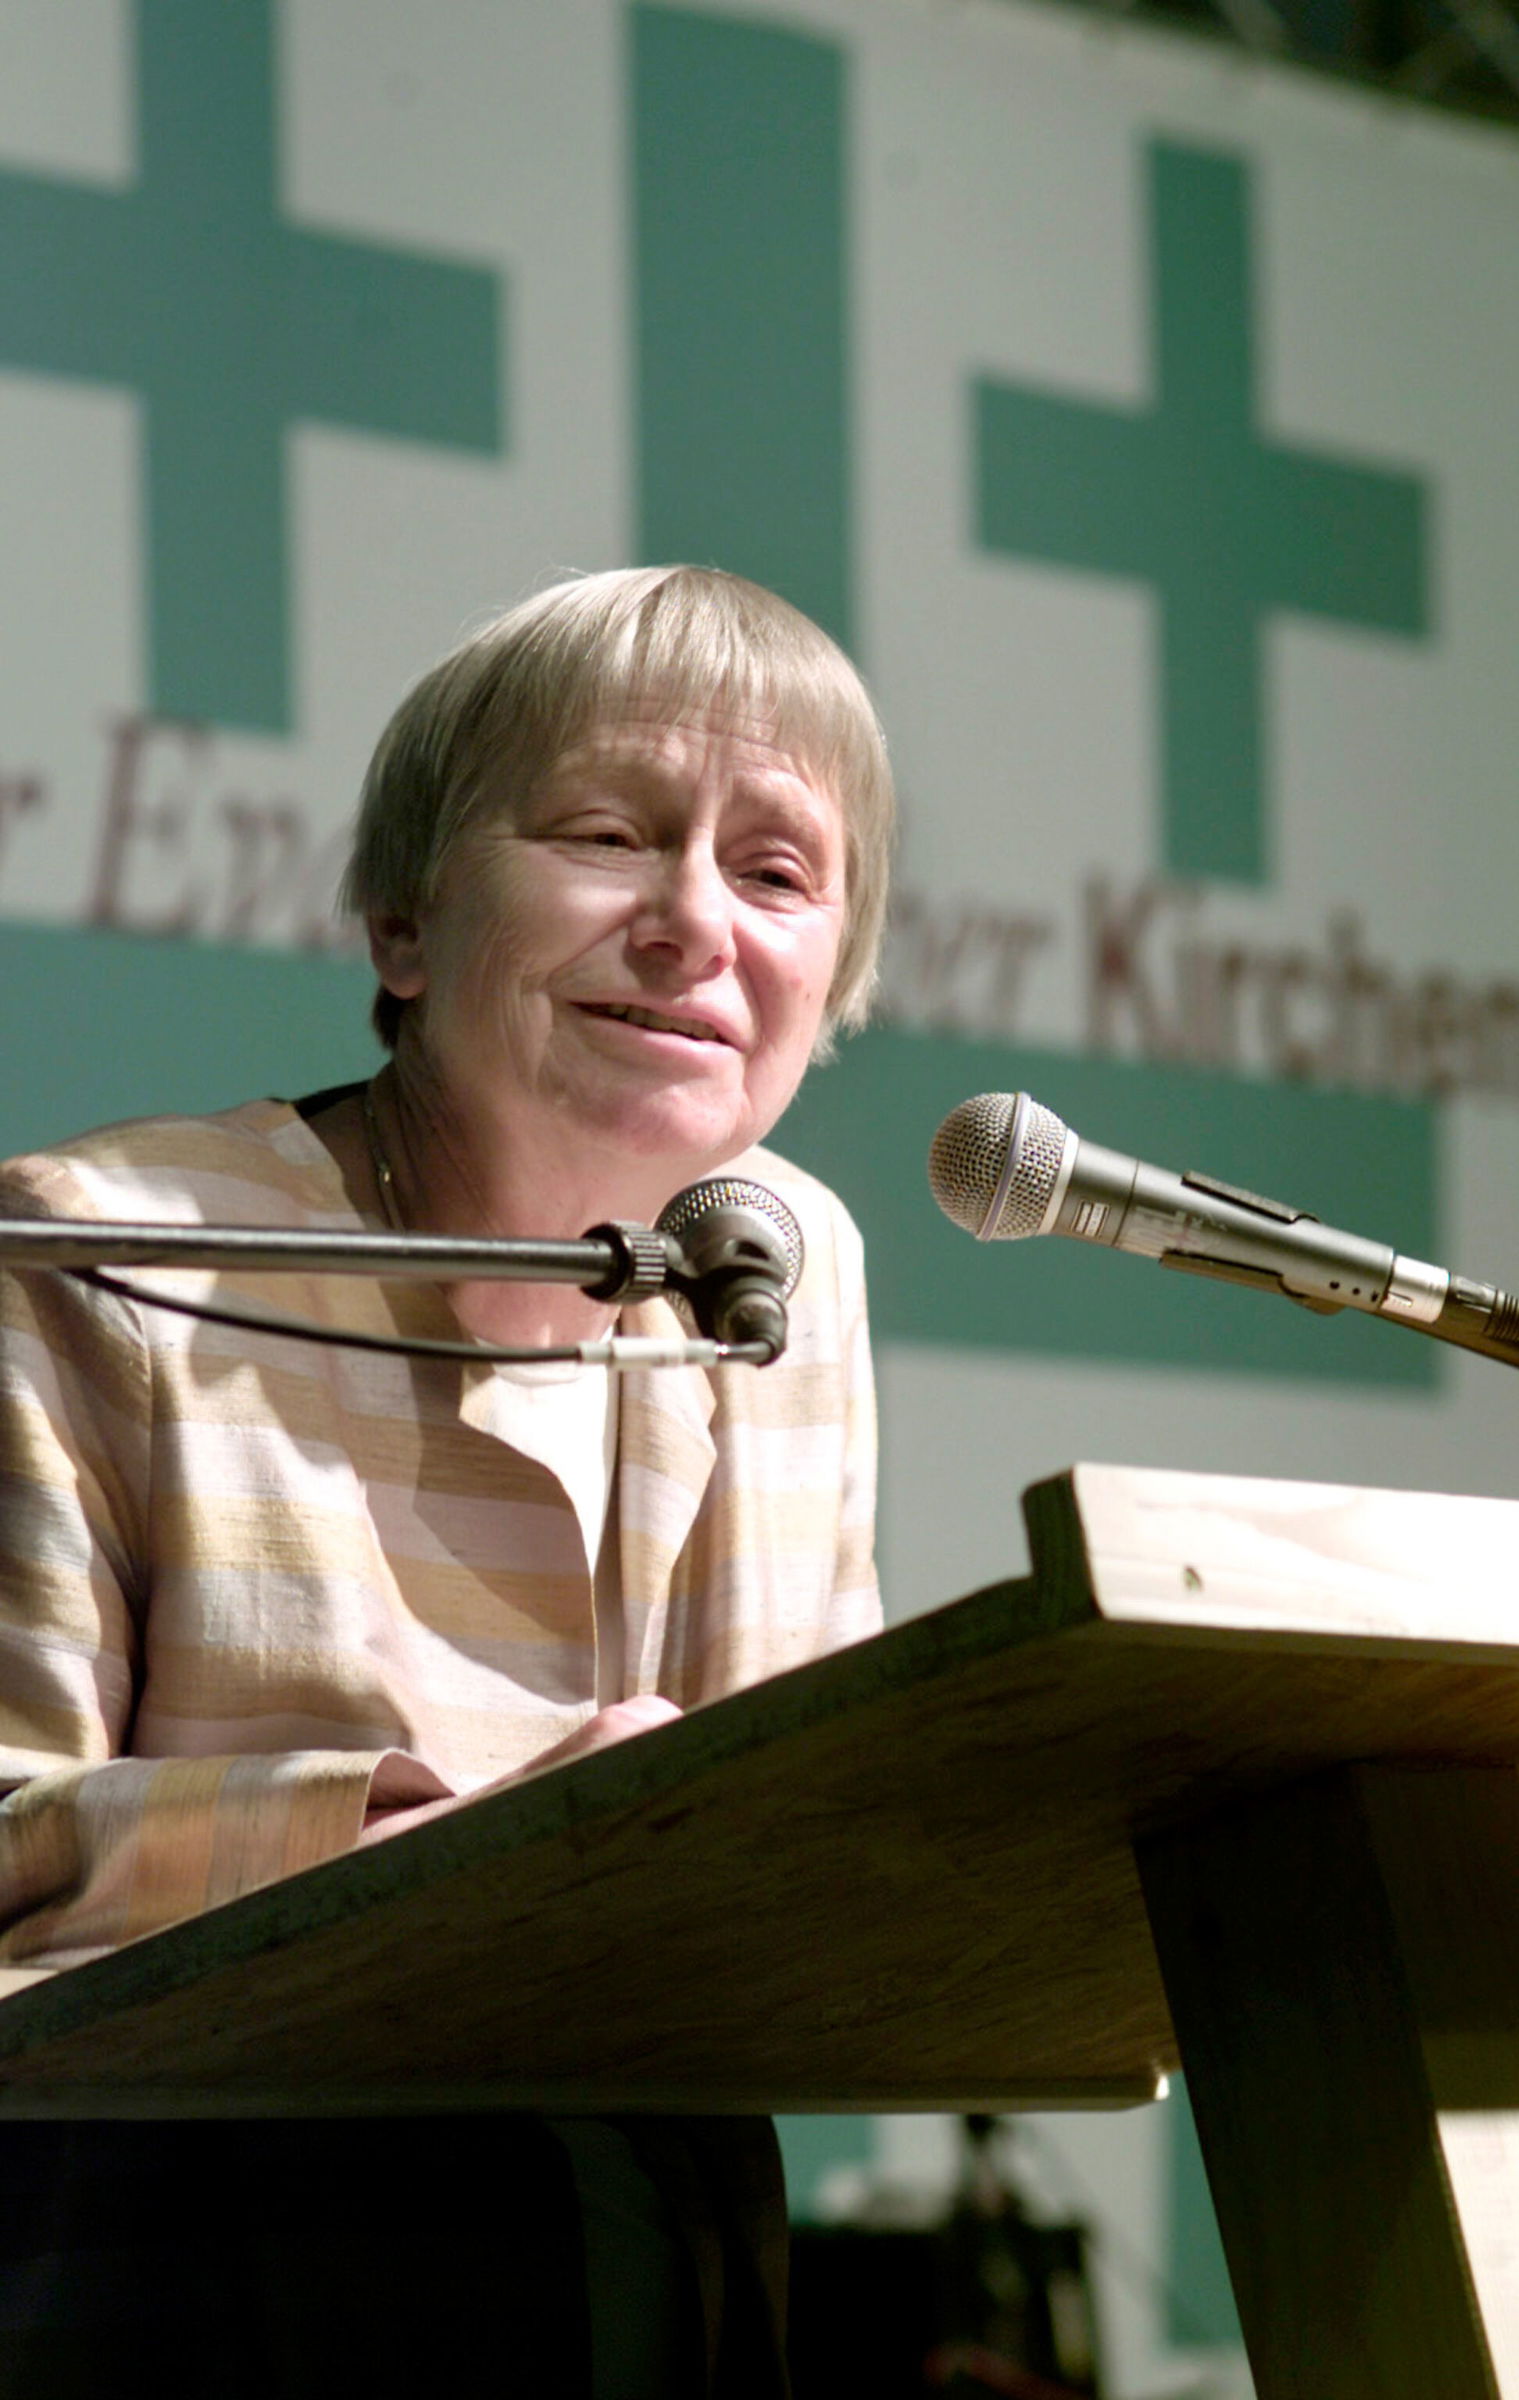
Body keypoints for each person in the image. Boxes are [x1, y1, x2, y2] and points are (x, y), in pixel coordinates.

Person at [0, 565, 896, 2396]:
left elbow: (799, 1859)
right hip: (182, 2256)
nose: (695, 925)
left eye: (778, 871)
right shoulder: (106, 1255)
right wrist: (448, 1858)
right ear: (403, 925)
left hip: (658, 2241)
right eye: (607, 834)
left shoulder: (776, 1265)